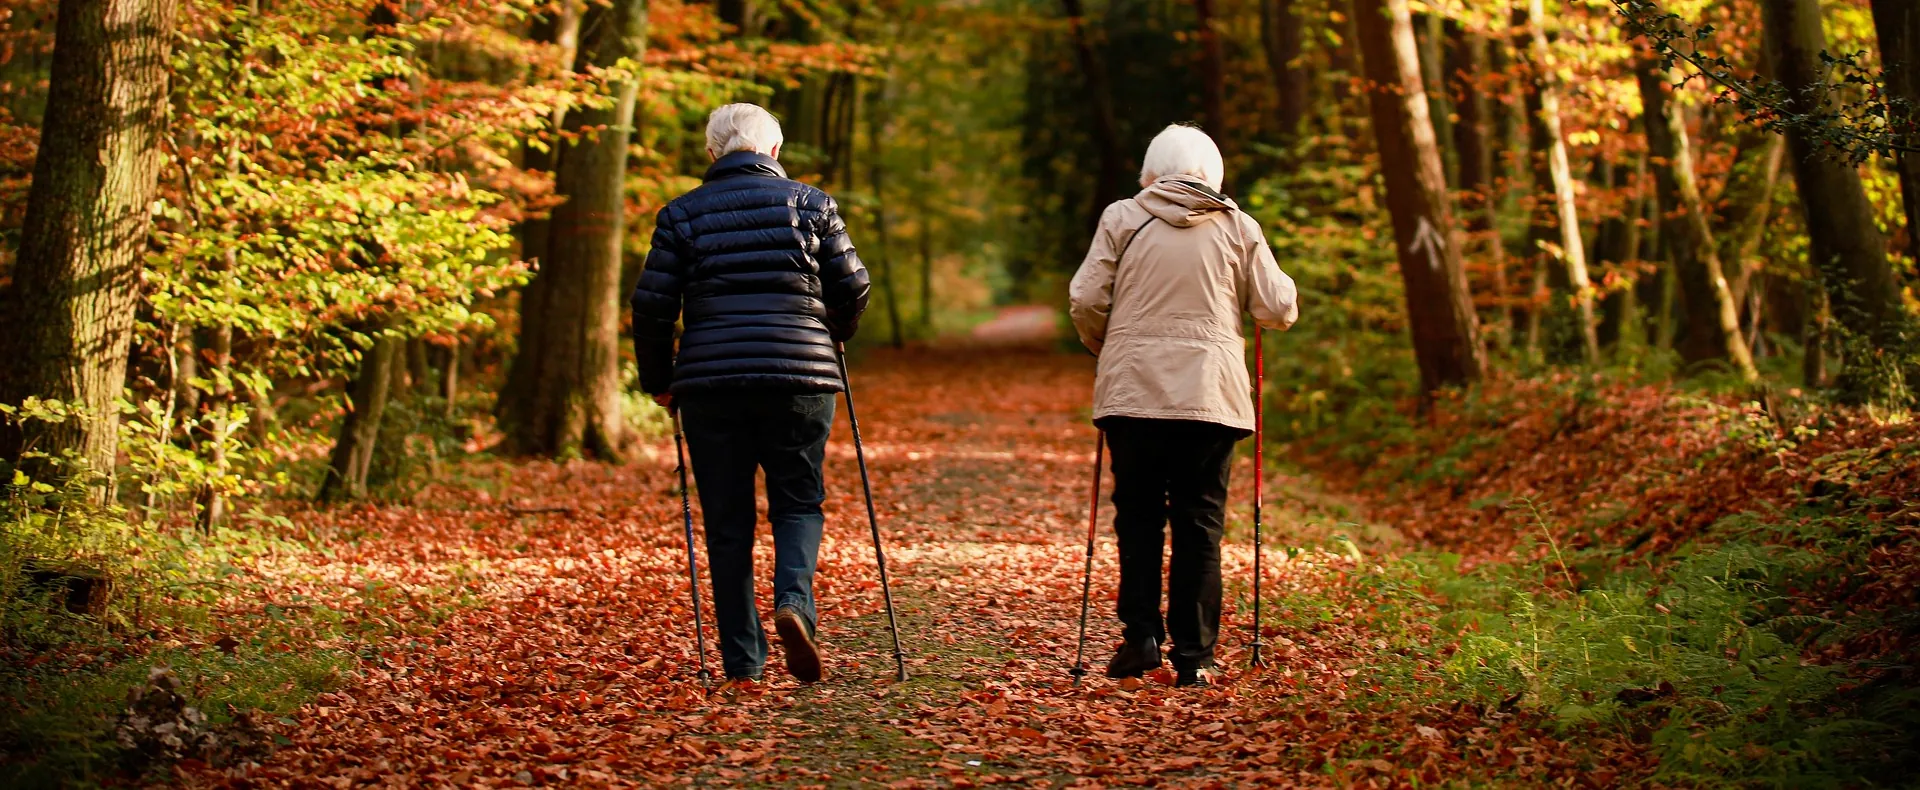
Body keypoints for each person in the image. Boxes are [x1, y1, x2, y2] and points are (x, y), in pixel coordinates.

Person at [631, 103, 870, 687]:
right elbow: (853, 284)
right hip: (800, 379)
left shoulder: (680, 214)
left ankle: (742, 660)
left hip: (712, 382)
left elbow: (651, 305)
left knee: (727, 521)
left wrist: (658, 379)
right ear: (774, 152)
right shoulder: (811, 205)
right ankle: (794, 603)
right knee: (797, 500)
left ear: (712, 154)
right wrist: (830, 333)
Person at [1067, 124, 1298, 687]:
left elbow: (1085, 299)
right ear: (1213, 173)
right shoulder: (1238, 227)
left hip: (1133, 395)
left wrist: (1111, 346)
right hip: (1210, 397)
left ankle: (1140, 636)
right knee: (1200, 523)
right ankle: (1195, 657)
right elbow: (1278, 306)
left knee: (1139, 517)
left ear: (1150, 173)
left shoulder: (1123, 218)